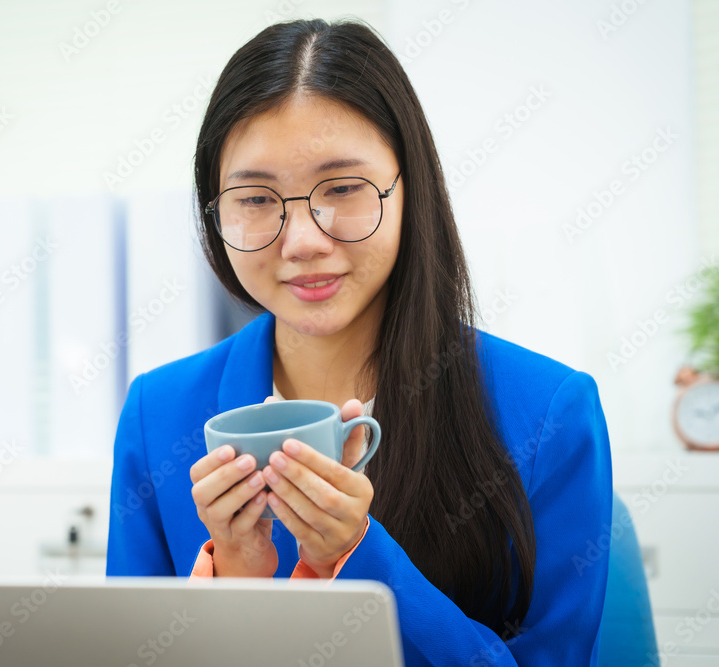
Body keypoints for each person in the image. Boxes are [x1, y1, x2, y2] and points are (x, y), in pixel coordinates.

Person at [106, 17, 612, 666]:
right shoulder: (158, 414)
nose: (302, 242)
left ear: (410, 188)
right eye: (257, 198)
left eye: (343, 188)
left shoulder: (551, 413)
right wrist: (234, 580)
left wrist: (358, 558)